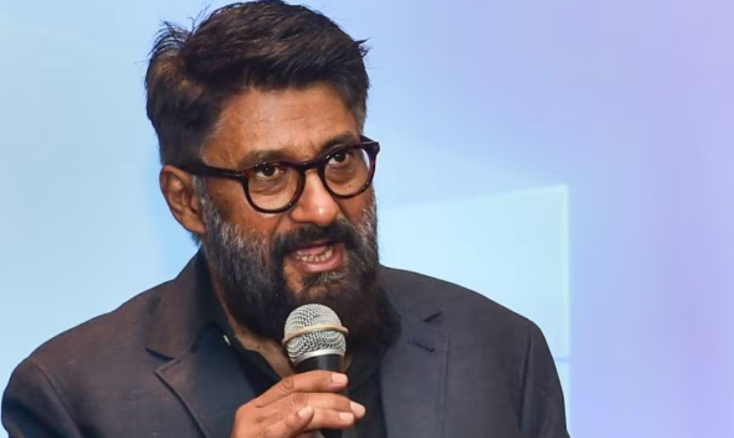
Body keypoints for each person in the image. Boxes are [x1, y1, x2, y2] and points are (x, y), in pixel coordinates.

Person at [1, 1, 569, 437]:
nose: (321, 207)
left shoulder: (498, 349)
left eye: (340, 159)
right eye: (269, 172)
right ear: (187, 202)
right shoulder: (71, 398)